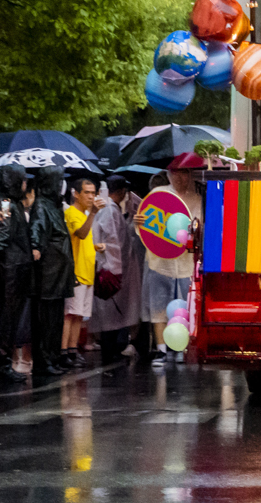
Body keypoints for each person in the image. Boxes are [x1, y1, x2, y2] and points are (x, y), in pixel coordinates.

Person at [143, 153, 204, 364]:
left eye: (185, 173)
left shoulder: (197, 199)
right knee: (158, 305)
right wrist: (138, 221)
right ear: (169, 174)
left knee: (184, 307)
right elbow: (145, 226)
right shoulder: (157, 194)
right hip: (160, 261)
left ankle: (181, 347)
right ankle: (161, 349)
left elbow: (200, 228)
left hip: (187, 263)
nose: (180, 178)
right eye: (176, 173)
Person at [0, 165, 36, 383]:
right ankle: (1, 363)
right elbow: (3, 231)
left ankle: (3, 363)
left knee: (10, 319)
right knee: (6, 319)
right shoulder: (6, 203)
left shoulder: (11, 202)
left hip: (15, 268)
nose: (25, 184)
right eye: (23, 180)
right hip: (9, 270)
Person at [88, 175, 144, 366]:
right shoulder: (110, 210)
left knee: (110, 313)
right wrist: (115, 268)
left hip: (107, 267)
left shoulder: (105, 208)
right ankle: (110, 351)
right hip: (111, 269)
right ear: (121, 192)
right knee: (111, 313)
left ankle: (111, 349)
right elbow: (113, 241)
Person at [30, 165, 75, 378]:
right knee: (45, 319)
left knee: (56, 318)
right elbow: (37, 229)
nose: (60, 186)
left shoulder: (54, 205)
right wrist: (36, 246)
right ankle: (44, 360)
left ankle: (54, 357)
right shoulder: (41, 205)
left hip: (59, 271)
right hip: (48, 272)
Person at [62, 177, 103, 367]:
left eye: (93, 192)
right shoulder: (71, 213)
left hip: (87, 271)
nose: (91, 196)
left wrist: (95, 247)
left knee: (80, 314)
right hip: (76, 272)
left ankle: (72, 349)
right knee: (70, 314)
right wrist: (93, 214)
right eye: (87, 192)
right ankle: (64, 352)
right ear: (76, 194)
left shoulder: (85, 214)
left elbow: (83, 240)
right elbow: (80, 233)